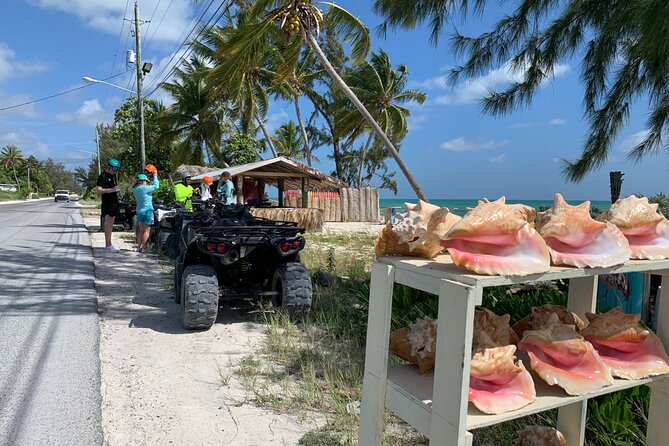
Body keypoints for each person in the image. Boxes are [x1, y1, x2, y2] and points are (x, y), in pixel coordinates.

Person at [96, 159, 122, 253]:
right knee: (108, 223)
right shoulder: (103, 176)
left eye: (117, 169)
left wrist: (116, 190)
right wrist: (111, 190)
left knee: (111, 223)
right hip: (107, 202)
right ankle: (107, 245)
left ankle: (109, 244)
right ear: (110, 167)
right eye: (114, 168)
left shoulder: (114, 176)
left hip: (114, 201)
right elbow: (98, 190)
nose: (116, 170)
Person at [133, 166, 160, 254]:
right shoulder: (144, 188)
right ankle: (144, 248)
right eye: (145, 181)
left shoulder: (135, 189)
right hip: (147, 210)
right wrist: (155, 174)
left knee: (141, 230)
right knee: (147, 230)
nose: (146, 183)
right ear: (142, 181)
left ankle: (139, 247)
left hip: (139, 211)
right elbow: (156, 186)